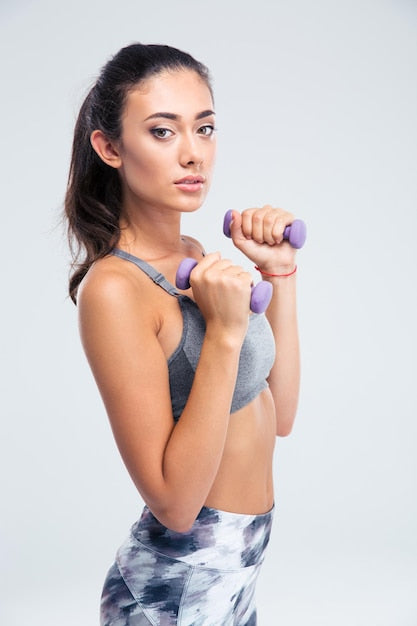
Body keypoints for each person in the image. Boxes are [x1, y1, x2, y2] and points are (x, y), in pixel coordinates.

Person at [64, 42, 300, 626]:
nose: (193, 153)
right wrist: (223, 334)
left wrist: (279, 273)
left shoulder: (197, 254)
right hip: (171, 589)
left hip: (239, 568)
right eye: (163, 132)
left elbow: (281, 413)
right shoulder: (114, 288)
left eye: (205, 128)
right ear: (110, 148)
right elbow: (174, 504)